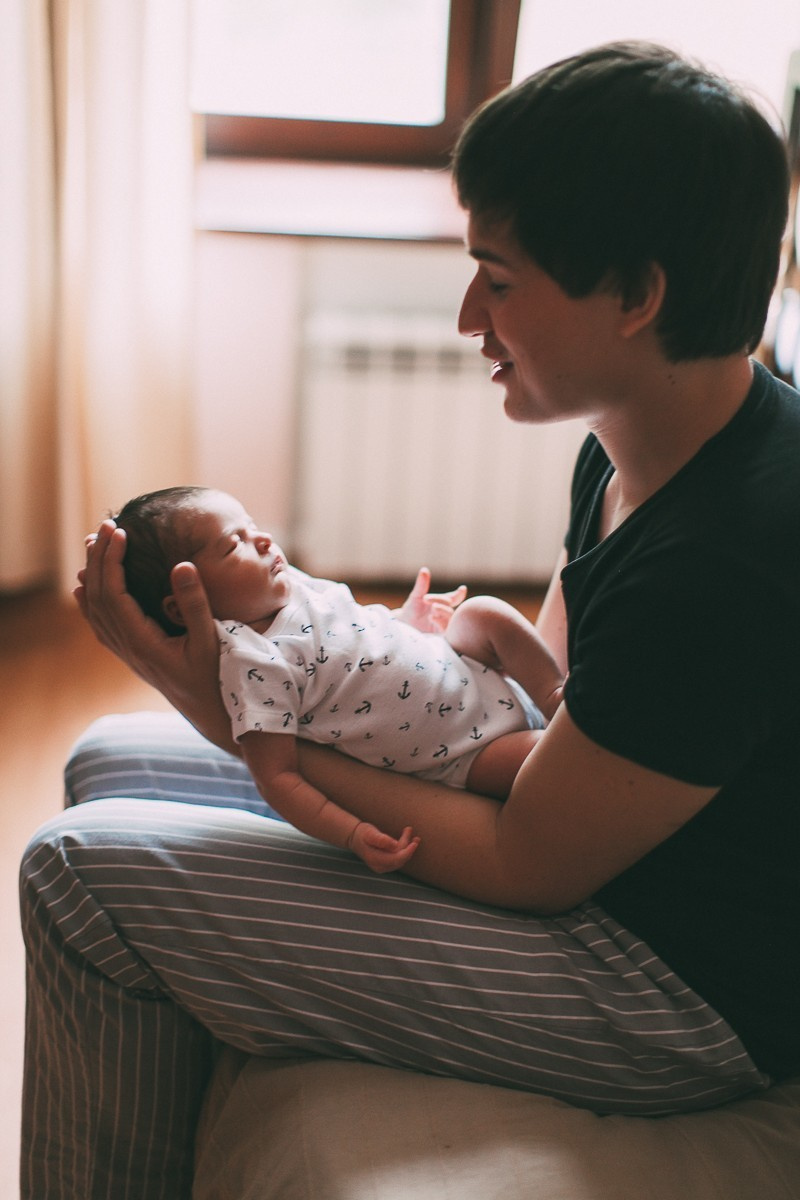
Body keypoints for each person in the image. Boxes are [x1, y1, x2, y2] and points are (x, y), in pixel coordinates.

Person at [19, 40, 800, 1199]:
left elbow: (535, 856)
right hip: (601, 857)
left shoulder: (731, 553)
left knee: (76, 878)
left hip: (670, 988)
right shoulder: (636, 440)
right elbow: (554, 696)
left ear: (637, 296)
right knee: (105, 754)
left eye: (500, 275)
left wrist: (244, 723)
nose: (465, 316)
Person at [112, 484, 561, 871]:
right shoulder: (254, 665)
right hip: (464, 750)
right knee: (545, 763)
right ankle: (562, 727)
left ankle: (555, 693)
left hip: (466, 666)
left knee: (484, 613)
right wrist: (351, 833)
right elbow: (279, 778)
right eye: (235, 545)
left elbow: (354, 633)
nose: (265, 540)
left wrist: (406, 620)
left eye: (253, 527)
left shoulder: (292, 586)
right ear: (183, 604)